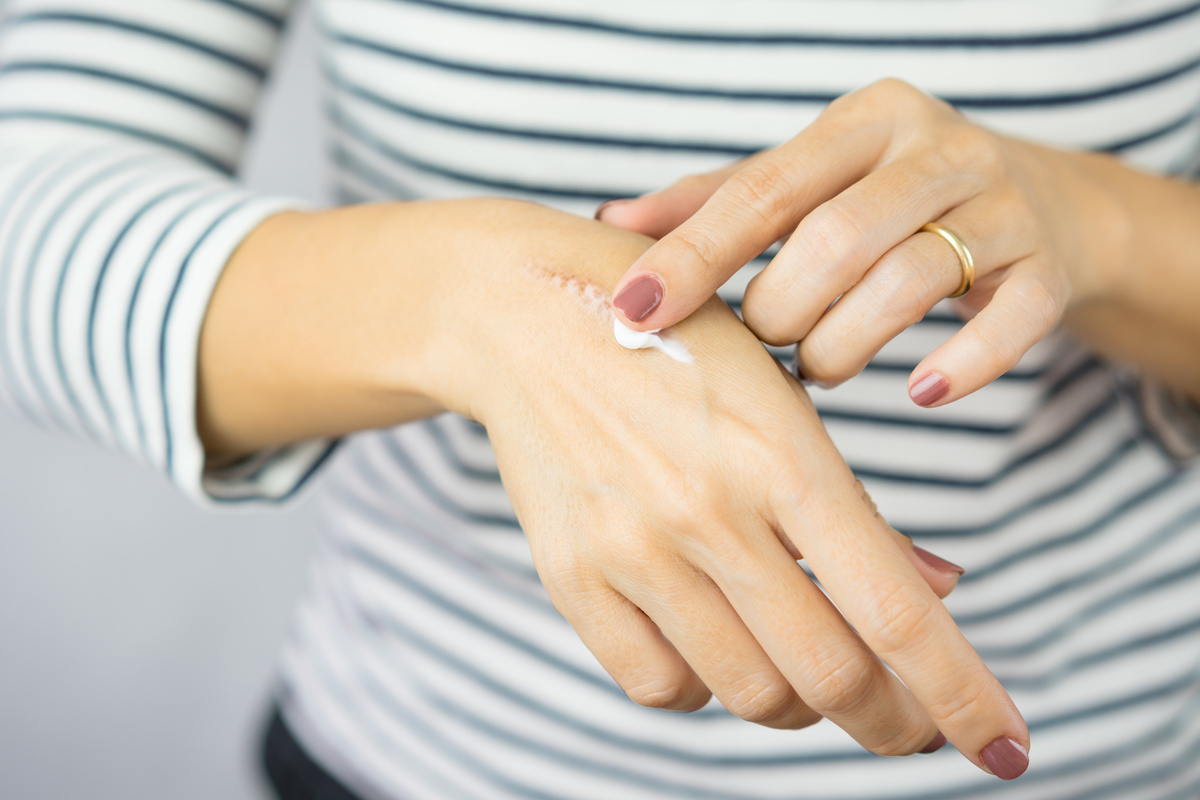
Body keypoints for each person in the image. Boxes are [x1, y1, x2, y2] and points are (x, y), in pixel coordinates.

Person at [2, 0, 1200, 798]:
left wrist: (1095, 222)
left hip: (1115, 754)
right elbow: (27, 217)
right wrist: (477, 304)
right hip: (430, 752)